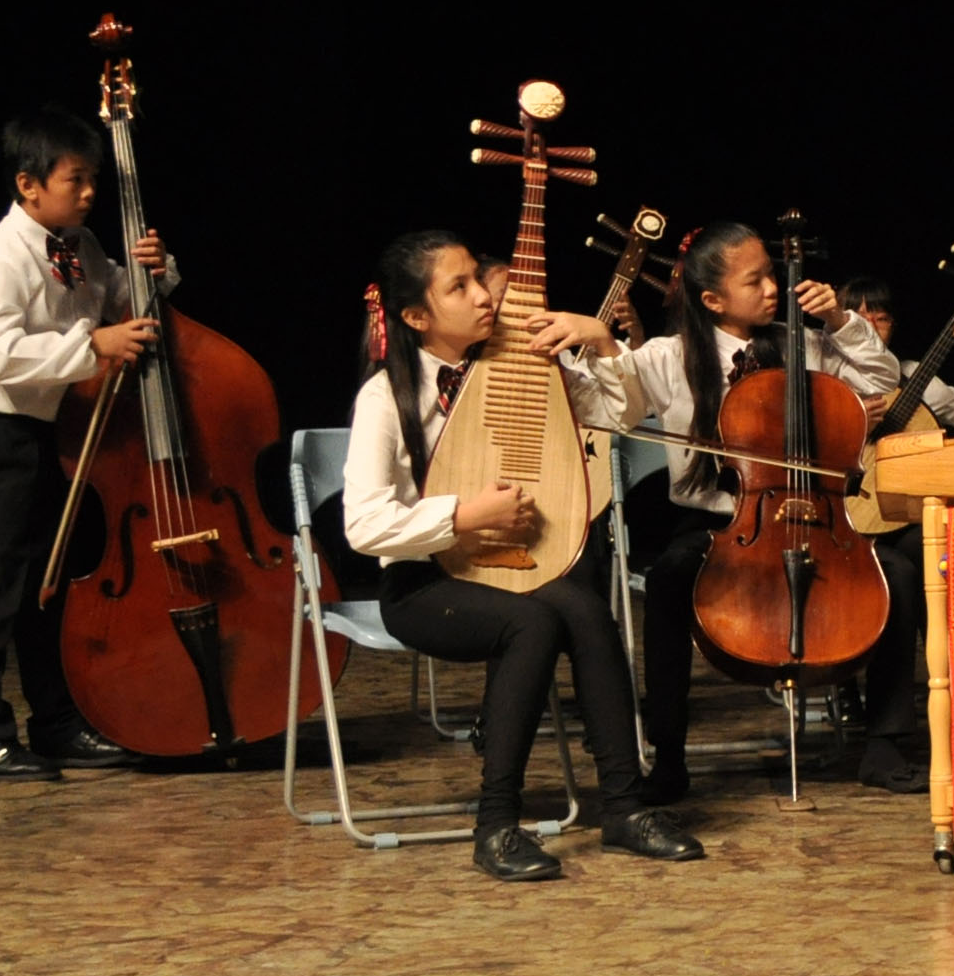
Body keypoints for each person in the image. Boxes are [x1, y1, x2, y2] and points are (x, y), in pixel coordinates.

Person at [342, 229, 704, 879]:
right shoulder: (386, 396)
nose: (484, 296)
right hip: (423, 584)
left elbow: (620, 413)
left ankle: (624, 809)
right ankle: (496, 827)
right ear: (417, 316)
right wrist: (463, 517)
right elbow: (364, 524)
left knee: (587, 610)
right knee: (532, 622)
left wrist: (601, 342)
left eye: (477, 280)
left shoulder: (525, 367)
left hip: (511, 567)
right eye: (459, 288)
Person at [618, 221, 915, 798]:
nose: (773, 289)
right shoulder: (670, 356)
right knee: (669, 576)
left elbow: (882, 375)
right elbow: (608, 397)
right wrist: (603, 345)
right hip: (720, 520)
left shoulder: (804, 344)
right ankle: (669, 755)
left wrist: (839, 320)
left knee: (897, 575)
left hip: (814, 514)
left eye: (772, 275)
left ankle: (884, 745)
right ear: (713, 299)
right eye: (754, 281)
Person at [0, 111, 167, 779]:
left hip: (52, 430)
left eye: (94, 178)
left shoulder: (78, 242)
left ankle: (58, 724)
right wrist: (92, 346)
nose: (90, 191)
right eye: (76, 179)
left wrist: (155, 271)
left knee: (50, 589)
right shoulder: (1, 256)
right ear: (28, 184)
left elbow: (125, 298)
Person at [846, 274, 954, 431]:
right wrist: (852, 422)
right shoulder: (831, 372)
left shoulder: (914, 376)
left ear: (893, 327)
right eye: (860, 319)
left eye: (882, 319)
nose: (871, 328)